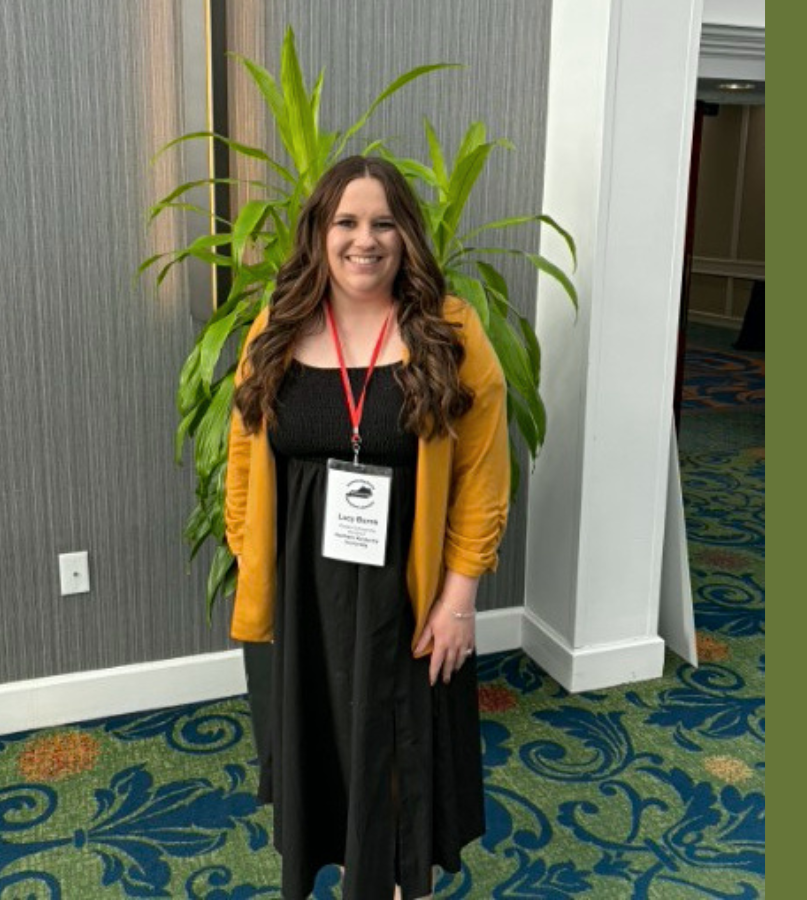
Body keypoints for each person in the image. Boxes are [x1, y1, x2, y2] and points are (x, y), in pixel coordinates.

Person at [224, 155, 510, 900]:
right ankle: (353, 867)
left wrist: (458, 600)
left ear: (406, 234)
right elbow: (243, 458)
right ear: (319, 232)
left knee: (398, 750)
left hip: (406, 593)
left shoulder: (449, 330)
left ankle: (392, 880)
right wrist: (253, 562)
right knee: (322, 742)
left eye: (384, 222)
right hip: (304, 593)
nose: (365, 240)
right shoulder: (278, 326)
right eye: (346, 222)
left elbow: (481, 476)